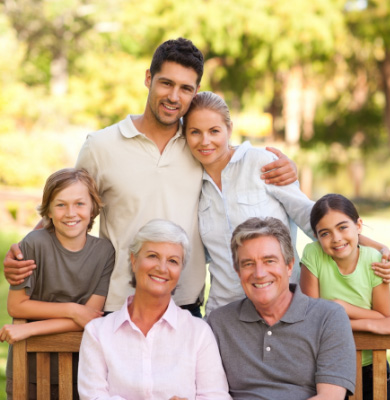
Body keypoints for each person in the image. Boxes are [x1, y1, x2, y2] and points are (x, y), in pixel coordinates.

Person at [3, 38, 298, 317]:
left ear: (196, 91)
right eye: (166, 83)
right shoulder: (101, 146)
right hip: (118, 303)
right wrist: (25, 253)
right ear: (148, 79)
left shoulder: (198, 144)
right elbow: (67, 205)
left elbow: (235, 166)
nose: (173, 96)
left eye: (185, 88)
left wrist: (285, 168)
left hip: (185, 305)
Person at [182, 91, 390, 316]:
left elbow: (312, 219)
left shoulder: (261, 163)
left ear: (229, 129)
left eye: (214, 131)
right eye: (195, 132)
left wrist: (380, 248)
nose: (205, 141)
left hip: (282, 308)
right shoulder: (191, 183)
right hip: (227, 312)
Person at [78, 219, 231, 400]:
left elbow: (216, 396)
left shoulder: (198, 333)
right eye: (152, 256)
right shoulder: (98, 332)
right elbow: (93, 397)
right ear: (134, 261)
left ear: (180, 270)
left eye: (173, 261)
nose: (162, 268)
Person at [207, 217, 356, 400]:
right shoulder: (220, 322)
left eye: (269, 261)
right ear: (238, 271)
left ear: (289, 266)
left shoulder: (328, 317)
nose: (259, 274)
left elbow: (330, 397)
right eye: (248, 264)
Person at [0, 168, 115, 400]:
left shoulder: (105, 252)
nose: (70, 213)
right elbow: (17, 306)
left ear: (93, 207)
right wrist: (73, 310)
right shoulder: (33, 244)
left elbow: (90, 318)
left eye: (80, 204)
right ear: (48, 211)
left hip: (82, 370)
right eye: (61, 205)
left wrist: (29, 328)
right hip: (28, 369)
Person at [300, 194, 390, 400]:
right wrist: (369, 324)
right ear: (317, 237)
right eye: (325, 233)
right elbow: (311, 319)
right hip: (327, 369)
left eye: (343, 227)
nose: (336, 238)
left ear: (359, 226)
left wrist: (339, 308)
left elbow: (383, 318)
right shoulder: (313, 254)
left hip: (371, 368)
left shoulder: (375, 260)